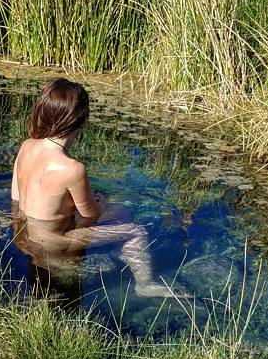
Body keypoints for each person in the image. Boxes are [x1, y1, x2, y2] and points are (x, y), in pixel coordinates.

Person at [11, 78, 178, 298]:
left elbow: (16, 199)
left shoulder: (27, 145)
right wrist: (101, 201)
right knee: (136, 230)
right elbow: (91, 215)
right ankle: (145, 284)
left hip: (22, 238)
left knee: (120, 213)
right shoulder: (72, 168)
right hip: (54, 244)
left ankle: (116, 252)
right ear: (81, 120)